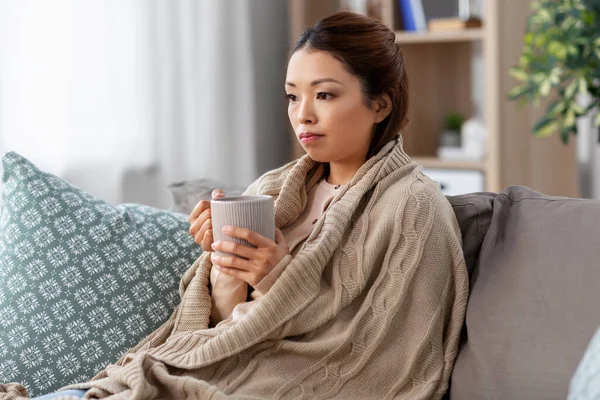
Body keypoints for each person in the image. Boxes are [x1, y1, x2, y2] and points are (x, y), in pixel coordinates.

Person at [11, 11, 468, 400]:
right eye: (293, 95)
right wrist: (223, 269)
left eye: (324, 94)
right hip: (198, 370)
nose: (302, 114)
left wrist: (275, 275)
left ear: (381, 104)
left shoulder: (413, 206)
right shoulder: (273, 187)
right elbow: (224, 328)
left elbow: (377, 356)